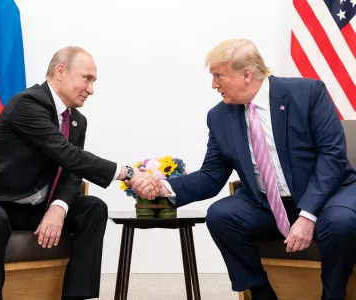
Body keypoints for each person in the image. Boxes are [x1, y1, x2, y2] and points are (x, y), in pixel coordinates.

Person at [128, 39, 356, 300]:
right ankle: (261, 293)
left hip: (328, 196)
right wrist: (163, 186)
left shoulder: (308, 93)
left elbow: (332, 156)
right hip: (268, 204)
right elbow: (213, 174)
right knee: (221, 216)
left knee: (341, 223)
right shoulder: (219, 116)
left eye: (218, 75)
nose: (214, 84)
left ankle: (333, 293)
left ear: (247, 75)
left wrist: (308, 215)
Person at [0, 46, 160, 300]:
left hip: (31, 207)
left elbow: (72, 173)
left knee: (93, 209)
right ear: (61, 71)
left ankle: (75, 297)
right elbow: (66, 154)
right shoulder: (27, 104)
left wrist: (59, 207)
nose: (91, 89)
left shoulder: (77, 121)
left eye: (93, 81)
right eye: (87, 78)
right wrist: (127, 173)